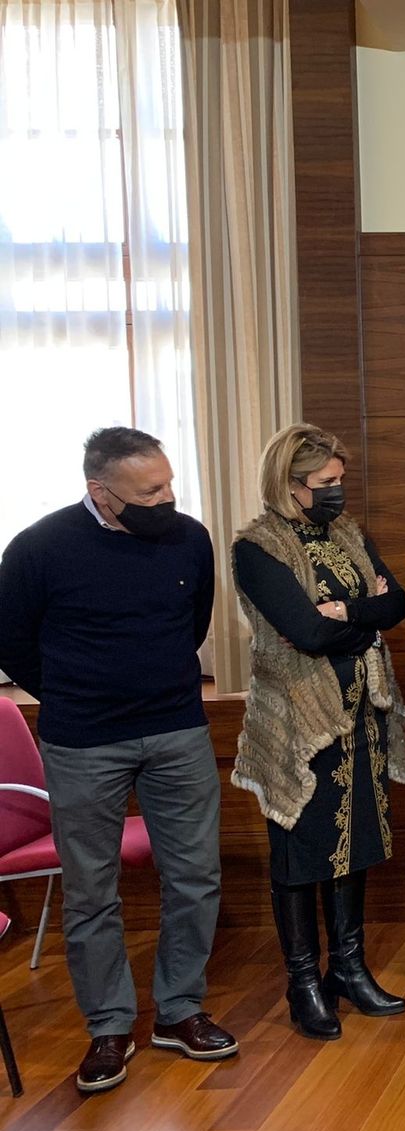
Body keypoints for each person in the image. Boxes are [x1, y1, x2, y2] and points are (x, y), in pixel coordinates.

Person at [0, 428, 236, 1093]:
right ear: (99, 493)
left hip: (178, 731)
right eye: (149, 491)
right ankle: (108, 1025)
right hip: (83, 742)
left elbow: (192, 623)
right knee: (91, 892)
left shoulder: (189, 538)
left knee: (195, 875)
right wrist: (76, 692)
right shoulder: (39, 548)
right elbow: (12, 640)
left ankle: (180, 1009)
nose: (167, 499)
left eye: (168, 484)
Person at [232, 425, 405, 1041]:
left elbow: (397, 604)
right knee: (301, 851)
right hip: (298, 724)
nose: (338, 491)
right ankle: (304, 980)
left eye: (341, 480)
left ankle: (349, 968)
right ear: (290, 484)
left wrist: (353, 615)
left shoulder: (347, 533)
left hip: (361, 715)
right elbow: (304, 634)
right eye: (326, 483)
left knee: (354, 842)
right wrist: (359, 621)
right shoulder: (256, 548)